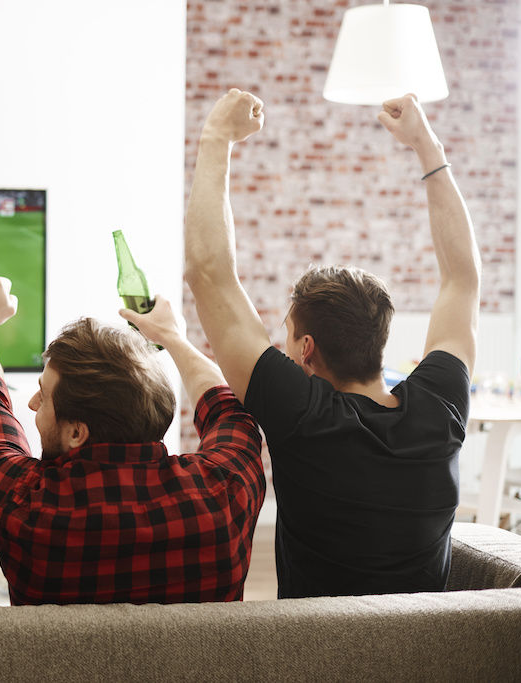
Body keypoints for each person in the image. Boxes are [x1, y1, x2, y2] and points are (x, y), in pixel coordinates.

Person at [184, 89, 480, 598]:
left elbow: (209, 274)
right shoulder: (440, 408)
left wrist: (216, 139)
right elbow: (463, 280)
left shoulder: (303, 416)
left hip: (314, 660)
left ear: (306, 349)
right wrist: (425, 146)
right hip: (430, 660)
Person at [0, 280, 265, 605]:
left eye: (44, 396)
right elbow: (224, 405)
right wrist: (172, 337)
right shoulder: (226, 493)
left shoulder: (23, 508)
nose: (33, 403)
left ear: (77, 432)